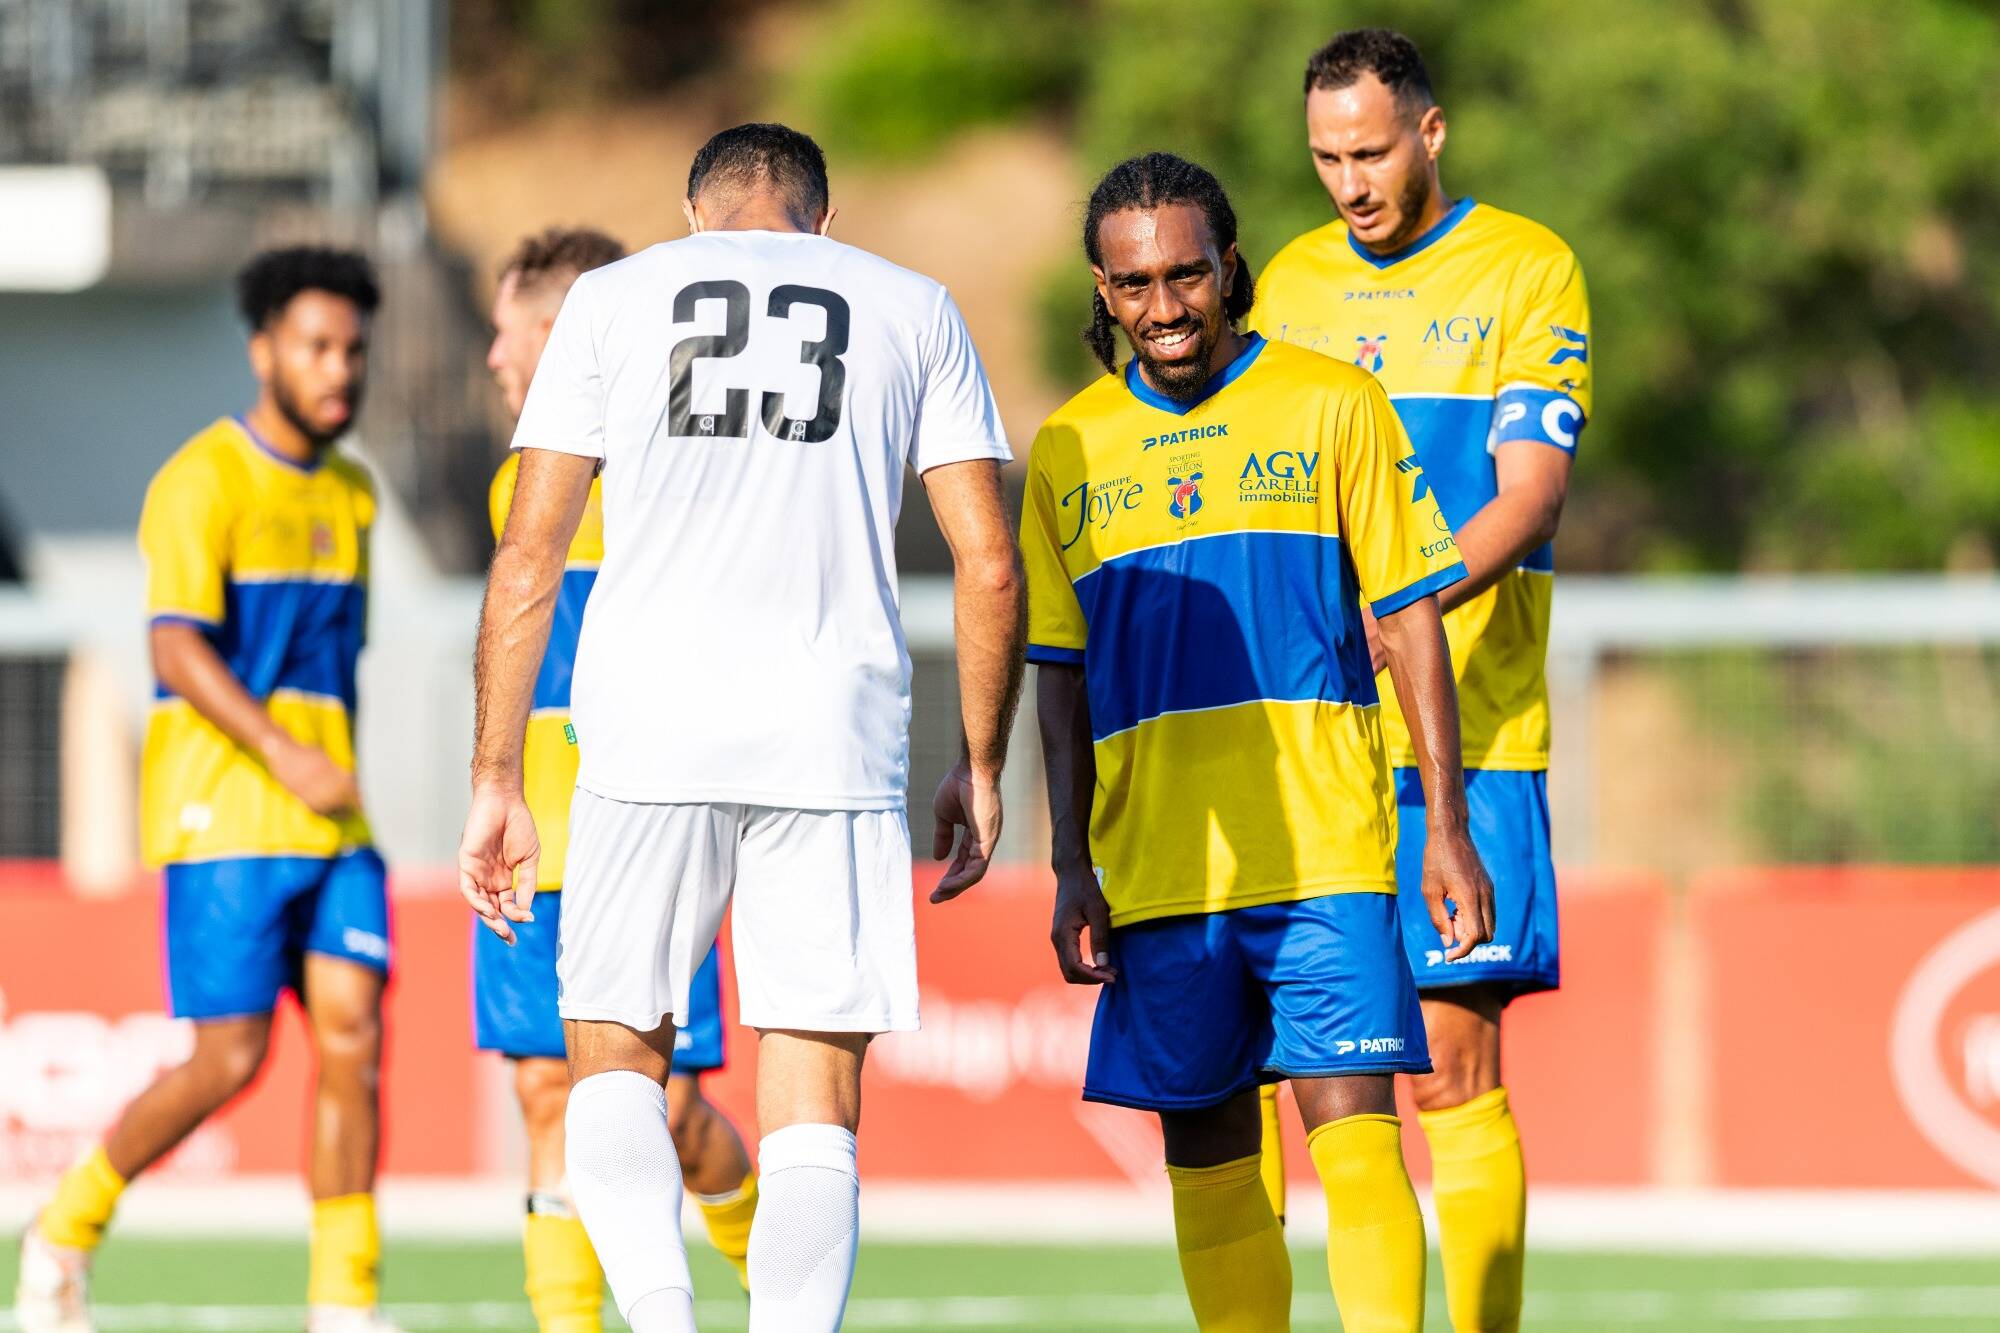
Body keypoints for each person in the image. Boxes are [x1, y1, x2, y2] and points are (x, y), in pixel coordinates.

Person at [456, 123, 1025, 1333]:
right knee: (813, 1097)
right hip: (833, 733)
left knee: (613, 1059)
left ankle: (661, 1319)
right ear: (826, 219)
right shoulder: (912, 305)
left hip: (648, 730)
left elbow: (528, 556)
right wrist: (980, 762)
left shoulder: (612, 299)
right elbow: (987, 564)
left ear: (689, 213)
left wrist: (495, 775)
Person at [1024, 151, 1495, 1333]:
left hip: (1322, 848)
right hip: (1159, 869)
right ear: (1101, 290)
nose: (1165, 307)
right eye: (1136, 285)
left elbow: (1409, 617)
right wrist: (1071, 861)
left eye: (1187, 275)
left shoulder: (1333, 401)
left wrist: (1444, 825)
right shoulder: (1066, 448)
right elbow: (1058, 676)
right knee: (1207, 1156)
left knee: (1356, 1134)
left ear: (1228, 267)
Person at [1249, 28, 1593, 1332]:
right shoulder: (1286, 283)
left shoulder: (1525, 265)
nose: (1350, 182)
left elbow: (1532, 493)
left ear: (1429, 134)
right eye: (1326, 158)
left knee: (1453, 1063)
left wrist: (1407, 603)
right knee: (1304, 1083)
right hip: (1316, 742)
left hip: (1475, 729)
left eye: (1371, 152)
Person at [16, 249, 400, 1333]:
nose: (339, 369)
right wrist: (284, 753)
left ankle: (344, 1304)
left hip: (335, 822)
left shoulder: (356, 493)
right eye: (316, 346)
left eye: (353, 349)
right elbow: (176, 648)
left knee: (354, 1036)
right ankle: (63, 1229)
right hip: (225, 811)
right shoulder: (202, 479)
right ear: (263, 350)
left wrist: (328, 770)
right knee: (229, 1057)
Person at [479, 227, 761, 1327]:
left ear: (559, 336)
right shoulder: (520, 482)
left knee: (671, 1112)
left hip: (653, 827)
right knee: (545, 1092)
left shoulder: (682, 472)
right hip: (536, 845)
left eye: (506, 333)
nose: (493, 358)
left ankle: (773, 1286)